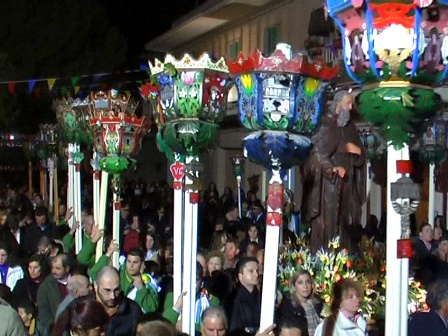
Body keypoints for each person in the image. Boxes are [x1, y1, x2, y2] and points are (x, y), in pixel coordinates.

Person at [301, 91, 366, 252]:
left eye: (351, 104)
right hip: (327, 185)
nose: (350, 108)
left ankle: (344, 260)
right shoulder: (324, 123)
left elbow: (360, 154)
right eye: (347, 104)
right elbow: (316, 154)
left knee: (345, 224)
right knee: (328, 225)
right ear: (338, 103)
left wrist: (357, 152)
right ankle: (326, 260)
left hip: (347, 183)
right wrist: (332, 168)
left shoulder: (350, 127)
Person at [278, 270, 323, 336]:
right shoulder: (288, 308)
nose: (305, 286)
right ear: (293, 287)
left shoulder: (318, 304)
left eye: (308, 282)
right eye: (300, 283)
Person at [225, 257, 261, 336]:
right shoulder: (233, 299)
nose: (256, 274)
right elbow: (234, 330)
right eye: (251, 271)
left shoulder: (262, 297)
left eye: (257, 271)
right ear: (240, 276)